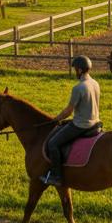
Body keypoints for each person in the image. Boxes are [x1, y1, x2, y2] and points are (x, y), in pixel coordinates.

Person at [40, 56, 102, 186]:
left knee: (53, 144)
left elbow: (68, 111)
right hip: (95, 122)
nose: (75, 71)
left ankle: (56, 176)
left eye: (75, 69)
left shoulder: (79, 88)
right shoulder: (95, 83)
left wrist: (56, 119)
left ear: (79, 70)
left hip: (82, 125)